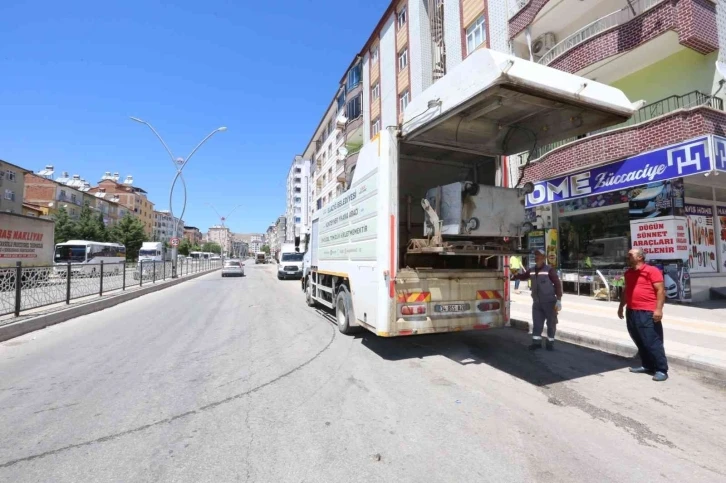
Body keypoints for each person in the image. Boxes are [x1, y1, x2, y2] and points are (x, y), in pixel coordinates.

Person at [618, 248, 668, 382]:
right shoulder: (628, 273)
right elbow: (626, 290)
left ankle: (661, 369)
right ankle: (647, 365)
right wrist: (621, 306)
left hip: (647, 311)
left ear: (640, 257)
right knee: (639, 339)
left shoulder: (652, 271)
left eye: (630, 254)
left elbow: (660, 291)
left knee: (652, 341)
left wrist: (658, 309)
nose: (627, 256)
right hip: (632, 311)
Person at [512, 250, 563, 351]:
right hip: (537, 302)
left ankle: (550, 343)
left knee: (551, 323)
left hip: (549, 302)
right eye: (535, 255)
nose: (536, 257)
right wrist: (515, 274)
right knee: (537, 323)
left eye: (538, 256)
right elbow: (523, 277)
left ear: (543, 258)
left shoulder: (549, 270)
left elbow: (557, 284)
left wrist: (559, 299)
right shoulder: (531, 270)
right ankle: (536, 343)